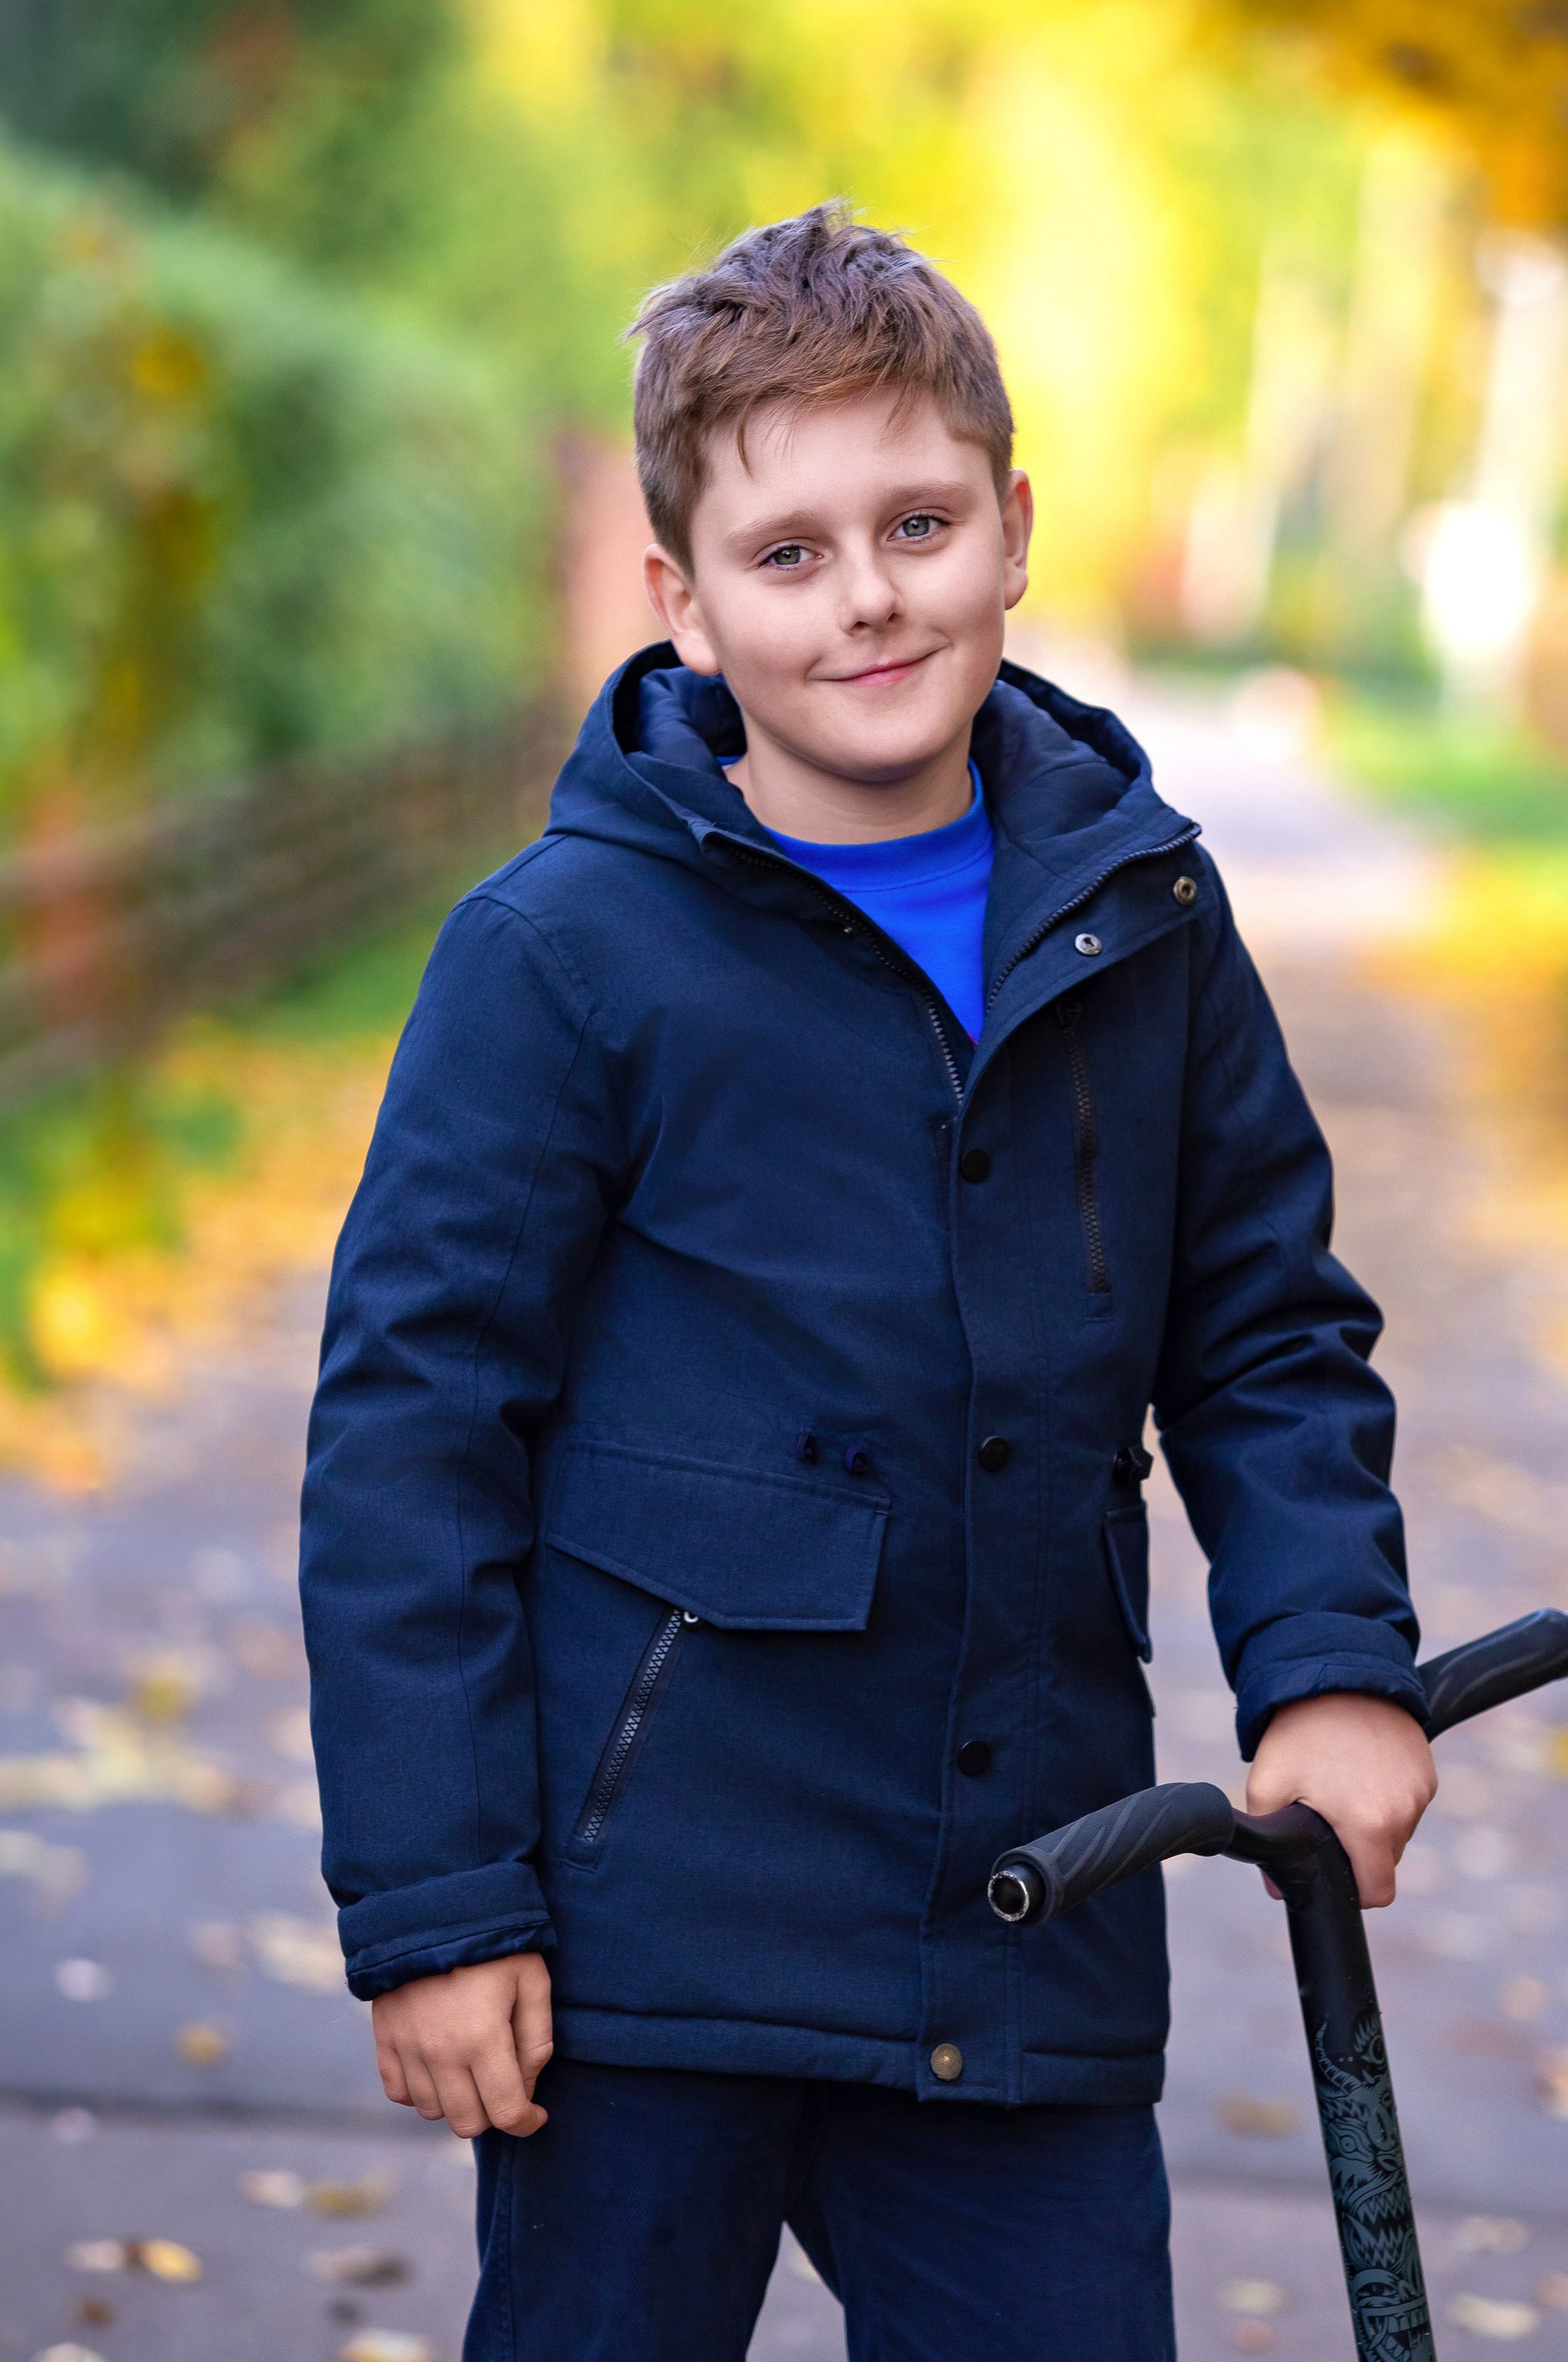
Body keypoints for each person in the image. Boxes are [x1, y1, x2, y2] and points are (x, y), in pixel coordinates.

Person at [298, 201, 1436, 2362]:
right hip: (646, 1958)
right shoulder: (562, 955)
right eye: (788, 552)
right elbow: (411, 1439)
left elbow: (1264, 1324)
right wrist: (436, 1913)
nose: (866, 597)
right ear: (684, 602)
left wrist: (1329, 1661)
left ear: (1011, 525)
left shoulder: (1144, 919)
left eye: (915, 521)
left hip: (1027, 1920)